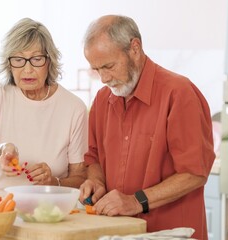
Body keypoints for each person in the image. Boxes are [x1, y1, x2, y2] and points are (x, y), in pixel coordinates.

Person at [78, 15, 215, 240]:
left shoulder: (179, 93)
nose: (103, 78)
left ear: (135, 48)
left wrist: (135, 201)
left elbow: (194, 172)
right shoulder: (103, 100)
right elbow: (93, 158)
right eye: (96, 69)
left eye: (109, 66)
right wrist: (96, 181)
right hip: (117, 233)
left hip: (170, 233)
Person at [0, 18, 88, 190]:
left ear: (49, 61)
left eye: (37, 59)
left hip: (47, 209)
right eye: (18, 59)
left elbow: (80, 178)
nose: (27, 69)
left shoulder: (74, 107)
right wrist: (0, 150)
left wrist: (53, 182)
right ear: (8, 63)